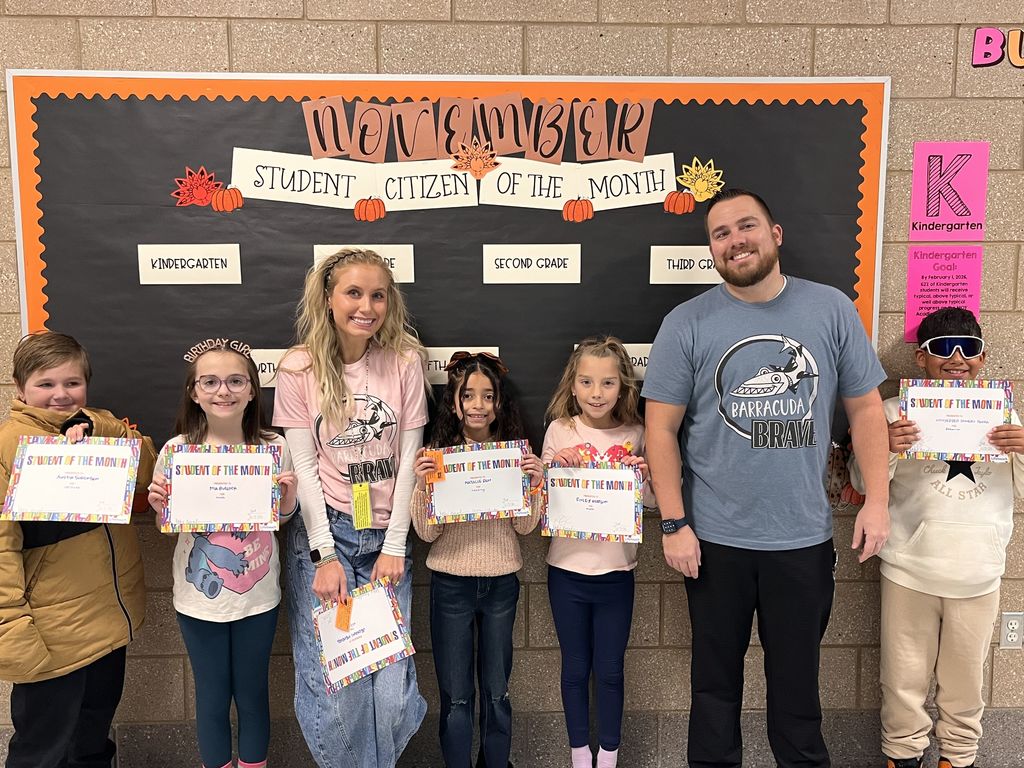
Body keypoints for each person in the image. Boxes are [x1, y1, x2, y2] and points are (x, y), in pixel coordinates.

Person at [642, 188, 891, 768]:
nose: (735, 241)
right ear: (711, 249)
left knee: (798, 695)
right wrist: (675, 522)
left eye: (746, 226)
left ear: (775, 234)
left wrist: (876, 501)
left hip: (802, 541)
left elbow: (867, 410)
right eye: (720, 234)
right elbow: (660, 432)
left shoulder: (830, 310)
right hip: (714, 543)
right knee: (713, 690)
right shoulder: (687, 323)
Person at [273, 248, 428, 768]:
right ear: (328, 297)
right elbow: (305, 467)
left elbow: (409, 459)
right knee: (338, 691)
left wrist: (395, 545)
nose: (367, 305)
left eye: (378, 294)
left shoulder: (405, 361)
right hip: (328, 538)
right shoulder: (299, 368)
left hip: (384, 540)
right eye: (354, 293)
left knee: (391, 694)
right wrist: (323, 555)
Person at [849, 308, 1024, 768]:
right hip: (910, 568)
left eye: (970, 350)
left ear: (984, 359)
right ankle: (902, 757)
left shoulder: (1006, 415)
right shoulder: (892, 413)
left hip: (979, 574)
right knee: (902, 681)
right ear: (920, 357)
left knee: (965, 684)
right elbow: (862, 485)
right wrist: (884, 448)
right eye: (944, 348)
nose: (958, 359)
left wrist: (1023, 447)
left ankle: (959, 758)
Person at [0, 331, 156, 768]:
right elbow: (1, 549)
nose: (60, 394)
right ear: (20, 388)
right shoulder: (9, 447)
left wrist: (103, 426)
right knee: (41, 751)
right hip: (51, 633)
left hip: (107, 625)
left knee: (91, 744)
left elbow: (146, 471)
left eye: (72, 383)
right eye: (45, 384)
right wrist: (11, 629)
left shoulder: (97, 428)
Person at [148, 339, 298, 768]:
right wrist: (161, 509)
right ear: (194, 392)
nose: (223, 391)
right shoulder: (177, 451)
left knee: (252, 695)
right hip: (198, 601)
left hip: (257, 597)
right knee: (211, 697)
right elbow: (167, 525)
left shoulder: (274, 446)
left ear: (252, 390)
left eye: (236, 381)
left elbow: (282, 518)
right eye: (209, 382)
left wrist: (287, 498)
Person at [410, 351, 544, 768]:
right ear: (454, 402)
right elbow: (427, 533)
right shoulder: (439, 453)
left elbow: (524, 529)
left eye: (488, 396)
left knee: (497, 692)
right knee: (457, 697)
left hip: (502, 583)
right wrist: (423, 486)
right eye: (468, 395)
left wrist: (533, 485)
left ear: (499, 403)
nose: (478, 405)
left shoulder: (513, 455)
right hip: (451, 584)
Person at [542, 336, 651, 768]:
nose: (596, 393)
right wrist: (555, 468)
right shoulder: (560, 430)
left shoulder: (636, 434)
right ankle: (578, 755)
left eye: (607, 384)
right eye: (587, 382)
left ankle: (609, 755)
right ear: (573, 385)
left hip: (617, 573)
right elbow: (538, 500)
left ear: (622, 388)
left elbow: (655, 502)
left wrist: (642, 478)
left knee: (609, 670)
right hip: (565, 571)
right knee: (574, 669)